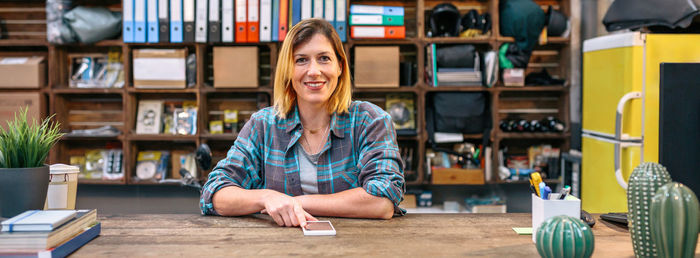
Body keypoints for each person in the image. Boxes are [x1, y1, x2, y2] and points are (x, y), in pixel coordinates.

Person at [199, 18, 405, 227]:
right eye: (301, 60)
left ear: (340, 66)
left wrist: (295, 203)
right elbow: (215, 192)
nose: (314, 71)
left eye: (324, 58)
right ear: (288, 70)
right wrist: (267, 198)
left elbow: (383, 201)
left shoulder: (370, 121)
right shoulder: (263, 125)